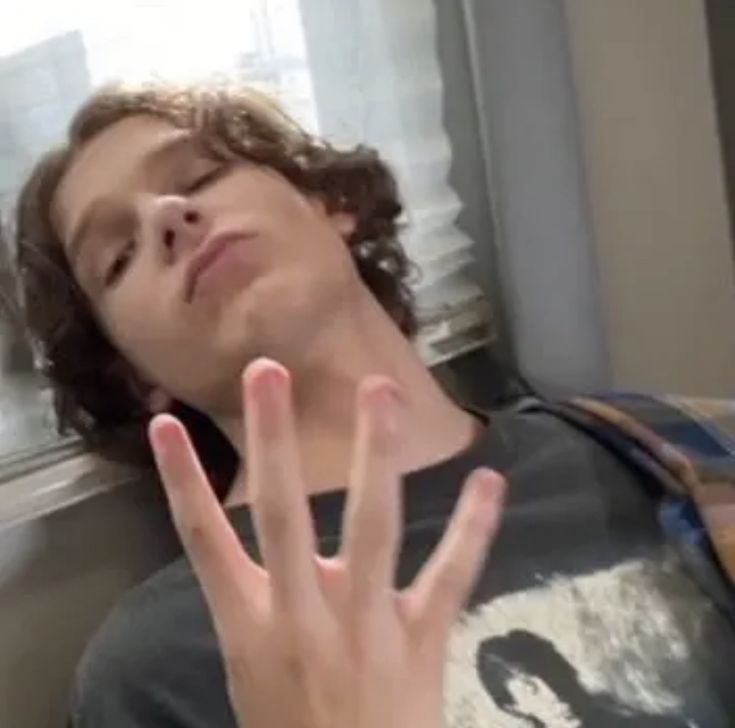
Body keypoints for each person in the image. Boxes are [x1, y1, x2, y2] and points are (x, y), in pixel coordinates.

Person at [12, 83, 735, 727]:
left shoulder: (683, 447)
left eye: (199, 174)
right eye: (117, 256)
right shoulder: (158, 665)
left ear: (331, 205)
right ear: (137, 377)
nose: (168, 214)